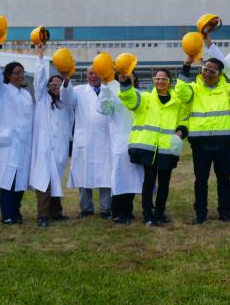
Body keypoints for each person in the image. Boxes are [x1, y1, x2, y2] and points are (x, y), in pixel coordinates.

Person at [175, 51, 230, 224]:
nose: (207, 73)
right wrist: (186, 66)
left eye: (212, 71)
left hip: (223, 142)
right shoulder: (193, 89)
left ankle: (224, 212)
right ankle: (200, 213)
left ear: (220, 74)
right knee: (201, 180)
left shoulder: (228, 90)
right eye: (205, 69)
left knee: (224, 180)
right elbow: (180, 91)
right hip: (200, 143)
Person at [118, 68, 189, 226]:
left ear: (170, 82)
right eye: (157, 78)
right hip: (149, 149)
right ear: (153, 80)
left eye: (164, 79)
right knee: (149, 182)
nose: (160, 81)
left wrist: (181, 131)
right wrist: (124, 81)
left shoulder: (178, 102)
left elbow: (184, 120)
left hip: (167, 150)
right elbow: (129, 98)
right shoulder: (145, 98)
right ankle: (148, 214)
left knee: (164, 183)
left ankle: (160, 213)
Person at [0, 41, 33, 225]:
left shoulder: (26, 95)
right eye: (16, 73)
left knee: (20, 179)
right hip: (8, 142)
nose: (20, 76)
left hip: (24, 143)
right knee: (7, 180)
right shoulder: (1, 90)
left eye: (22, 72)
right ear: (9, 76)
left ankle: (16, 212)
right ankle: (7, 215)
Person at [29, 43, 73, 228]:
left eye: (59, 84)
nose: (55, 87)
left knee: (55, 180)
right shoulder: (42, 100)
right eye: (52, 84)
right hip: (44, 148)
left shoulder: (66, 104)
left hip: (60, 150)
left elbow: (68, 93)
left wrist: (66, 77)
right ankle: (42, 216)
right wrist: (40, 56)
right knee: (44, 181)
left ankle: (56, 212)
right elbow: (39, 80)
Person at [62, 65, 113, 218]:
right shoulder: (77, 90)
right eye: (91, 73)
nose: (94, 76)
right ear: (86, 75)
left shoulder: (109, 90)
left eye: (97, 73)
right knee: (84, 175)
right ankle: (86, 208)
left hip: (105, 140)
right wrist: (66, 82)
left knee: (106, 176)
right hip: (85, 140)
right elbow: (66, 99)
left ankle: (106, 209)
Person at [98, 74, 144, 225]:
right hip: (119, 143)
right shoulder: (113, 94)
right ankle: (117, 213)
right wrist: (104, 87)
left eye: (131, 76)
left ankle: (128, 211)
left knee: (132, 178)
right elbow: (102, 109)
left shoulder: (140, 95)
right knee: (119, 178)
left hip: (137, 142)